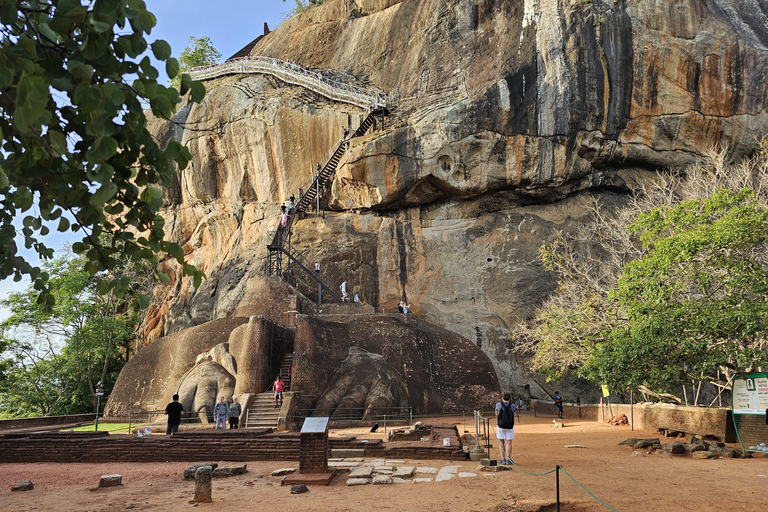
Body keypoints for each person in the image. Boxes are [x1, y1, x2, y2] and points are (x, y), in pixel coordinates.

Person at [495, 392, 516, 465]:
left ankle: (502, 458)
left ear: (502, 398)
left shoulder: (498, 404)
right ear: (509, 398)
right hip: (510, 426)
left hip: (501, 425)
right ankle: (508, 459)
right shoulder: (512, 405)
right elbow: (513, 414)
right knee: (509, 442)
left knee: (501, 441)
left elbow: (496, 414)